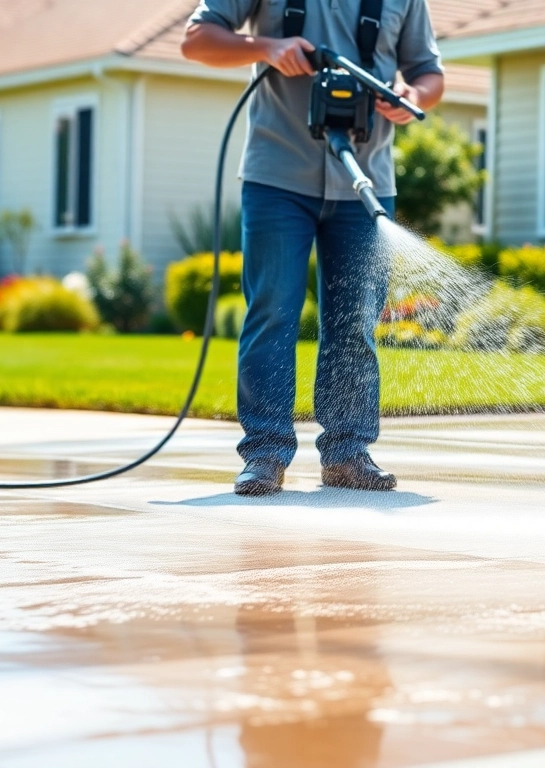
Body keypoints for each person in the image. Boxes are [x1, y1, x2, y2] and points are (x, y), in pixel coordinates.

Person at [182, 0, 444, 496]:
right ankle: (264, 455)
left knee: (354, 323)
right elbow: (196, 40)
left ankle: (347, 455)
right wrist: (268, 47)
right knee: (272, 314)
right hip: (276, 177)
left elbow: (429, 74)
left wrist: (412, 95)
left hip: (366, 180)